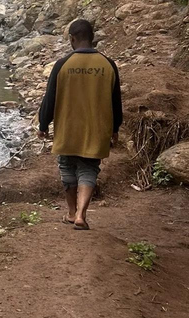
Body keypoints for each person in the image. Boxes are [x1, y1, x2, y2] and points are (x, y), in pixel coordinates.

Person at [38, 19, 123, 230]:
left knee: (67, 165)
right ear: (92, 38)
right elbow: (116, 101)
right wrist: (115, 128)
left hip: (68, 126)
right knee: (89, 168)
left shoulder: (62, 64)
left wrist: (43, 124)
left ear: (72, 39)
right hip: (97, 128)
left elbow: (50, 98)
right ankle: (81, 215)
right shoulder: (108, 64)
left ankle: (70, 211)